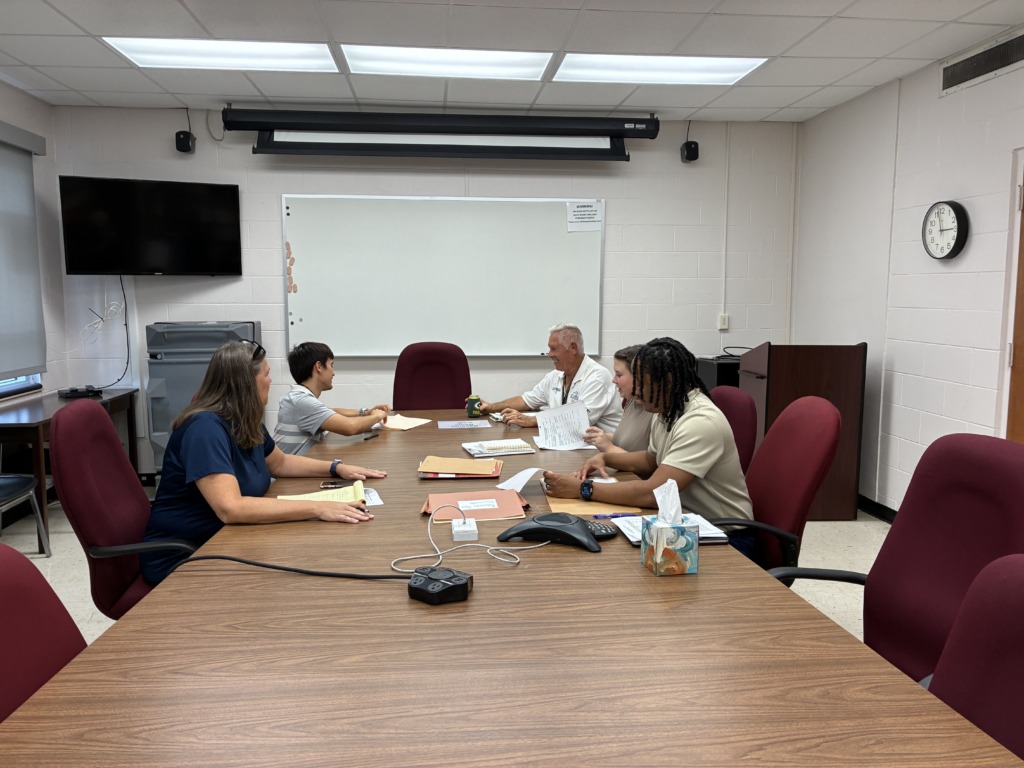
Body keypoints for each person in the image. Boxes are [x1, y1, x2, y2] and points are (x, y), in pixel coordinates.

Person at [140, 340, 387, 585]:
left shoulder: (244, 418)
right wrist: (318, 507)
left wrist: (336, 468)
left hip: (227, 541)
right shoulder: (205, 429)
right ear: (246, 382)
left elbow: (279, 464)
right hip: (188, 557)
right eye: (267, 374)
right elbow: (231, 508)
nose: (270, 381)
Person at [542, 337, 753, 550]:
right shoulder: (668, 409)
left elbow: (653, 493)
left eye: (641, 383)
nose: (637, 391)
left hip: (726, 536)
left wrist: (583, 489)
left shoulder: (700, 422)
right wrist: (606, 457)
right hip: (686, 522)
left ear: (667, 381)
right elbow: (651, 460)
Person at [477, 323, 621, 432]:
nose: (549, 354)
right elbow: (527, 400)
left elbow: (580, 422)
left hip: (602, 453)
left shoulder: (597, 377)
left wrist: (532, 420)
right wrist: (491, 407)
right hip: (568, 443)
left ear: (573, 348)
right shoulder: (555, 375)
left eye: (554, 349)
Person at [273, 341, 390, 455]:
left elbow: (331, 412)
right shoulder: (302, 401)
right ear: (319, 367)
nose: (333, 373)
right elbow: (350, 427)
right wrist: (377, 416)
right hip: (289, 473)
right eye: (331, 365)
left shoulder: (298, 397)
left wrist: (366, 412)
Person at [581, 344, 652, 455]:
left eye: (619, 375)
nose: (613, 380)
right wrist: (602, 437)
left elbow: (648, 464)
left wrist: (609, 448)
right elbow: (628, 441)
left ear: (639, 377)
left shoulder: (655, 410)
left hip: (633, 472)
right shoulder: (630, 400)